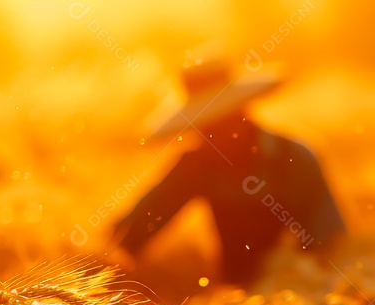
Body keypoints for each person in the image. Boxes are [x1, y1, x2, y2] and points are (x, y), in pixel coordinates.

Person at [111, 58, 346, 287]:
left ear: (241, 115)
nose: (204, 135)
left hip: (299, 290)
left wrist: (292, 279)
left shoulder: (294, 159)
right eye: (202, 126)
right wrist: (108, 262)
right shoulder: (197, 165)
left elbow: (330, 245)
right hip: (233, 301)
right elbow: (138, 226)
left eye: (216, 125)